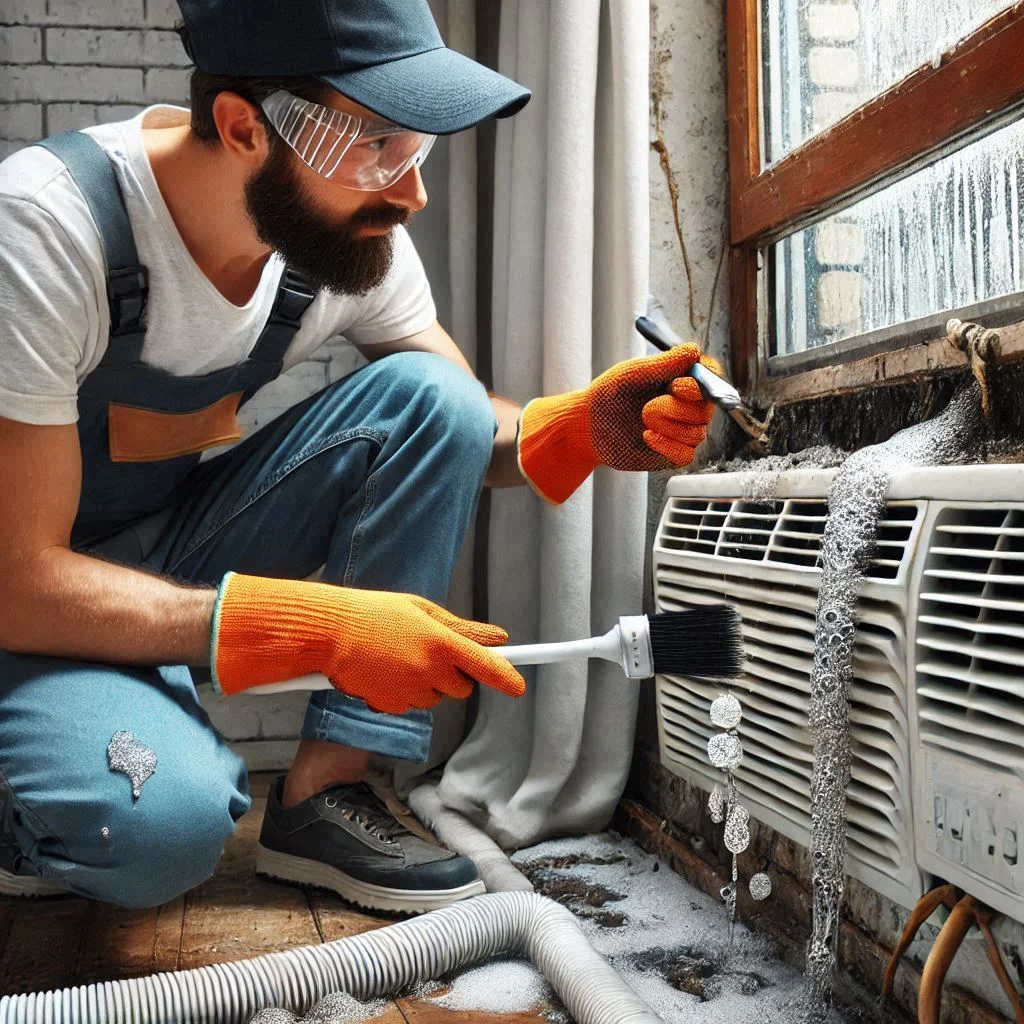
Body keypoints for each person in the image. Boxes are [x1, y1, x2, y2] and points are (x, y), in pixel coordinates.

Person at [0, 0, 717, 914]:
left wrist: (572, 429)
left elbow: (458, 427)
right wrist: (323, 627)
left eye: (413, 146)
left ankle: (326, 794)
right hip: (22, 598)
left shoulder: (339, 243)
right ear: (242, 128)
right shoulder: (47, 229)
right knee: (158, 831)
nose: (410, 189)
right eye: (375, 144)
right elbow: (20, 583)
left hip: (157, 550)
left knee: (435, 394)